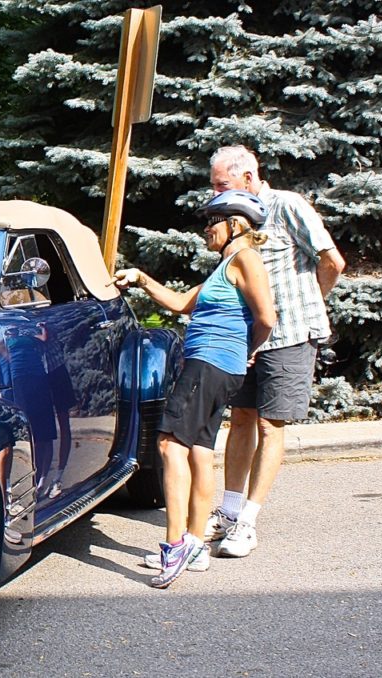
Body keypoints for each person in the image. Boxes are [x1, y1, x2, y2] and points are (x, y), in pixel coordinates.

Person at [115, 190, 277, 588]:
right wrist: (139, 278)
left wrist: (244, 349)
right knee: (200, 452)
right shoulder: (225, 266)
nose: (206, 229)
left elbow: (267, 318)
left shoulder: (245, 260)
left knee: (170, 446)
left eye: (212, 221)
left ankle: (177, 545)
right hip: (216, 366)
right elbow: (181, 303)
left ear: (235, 225)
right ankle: (196, 544)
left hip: (210, 364)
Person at [205, 146, 346, 557]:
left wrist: (307, 302)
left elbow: (332, 261)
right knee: (242, 418)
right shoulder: (232, 214)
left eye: (220, 184)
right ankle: (228, 513)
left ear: (247, 178)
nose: (213, 192)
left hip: (289, 336)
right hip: (249, 336)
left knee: (271, 425)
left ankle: (247, 522)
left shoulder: (286, 205)